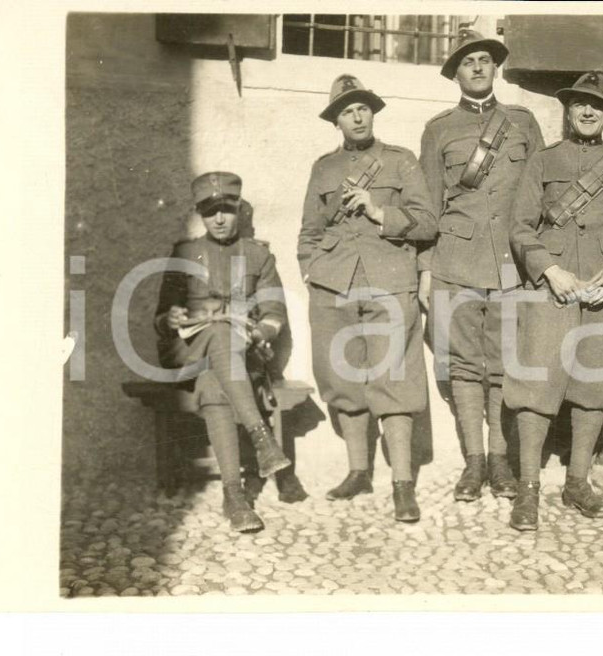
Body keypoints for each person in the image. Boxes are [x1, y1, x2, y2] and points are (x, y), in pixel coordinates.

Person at [506, 72, 603, 531]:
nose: (588, 112)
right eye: (580, 105)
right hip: (551, 286)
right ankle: (528, 491)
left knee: (595, 387)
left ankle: (577, 482)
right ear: (568, 111)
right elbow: (520, 227)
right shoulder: (544, 161)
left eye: (597, 106)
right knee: (536, 388)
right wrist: (549, 269)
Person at [299, 74, 437, 522]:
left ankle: (402, 485)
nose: (356, 116)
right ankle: (359, 471)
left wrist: (379, 211)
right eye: (347, 110)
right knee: (342, 378)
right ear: (335, 120)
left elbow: (427, 223)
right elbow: (310, 231)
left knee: (394, 380)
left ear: (372, 112)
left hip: (389, 280)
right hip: (332, 284)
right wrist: (310, 269)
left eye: (362, 107)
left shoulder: (400, 161)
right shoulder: (323, 168)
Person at [418, 28, 544, 503]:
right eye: (467, 61)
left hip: (512, 265)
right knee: (464, 366)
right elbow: (429, 208)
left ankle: (500, 460)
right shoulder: (439, 130)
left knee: (506, 365)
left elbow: (540, 197)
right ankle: (473, 461)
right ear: (455, 74)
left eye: (484, 60)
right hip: (456, 262)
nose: (477, 67)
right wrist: (426, 272)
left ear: (495, 68)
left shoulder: (523, 123)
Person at [154, 171, 297, 533]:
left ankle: (234, 498)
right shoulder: (184, 253)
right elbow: (161, 316)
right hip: (188, 348)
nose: (218, 219)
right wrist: (169, 318)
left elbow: (274, 313)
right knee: (218, 332)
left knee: (214, 387)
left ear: (238, 211)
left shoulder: (258, 255)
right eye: (209, 211)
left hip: (239, 354)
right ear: (200, 214)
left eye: (226, 210)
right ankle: (261, 439)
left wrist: (260, 333)